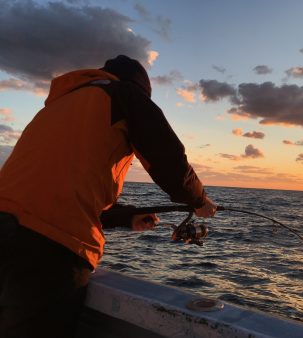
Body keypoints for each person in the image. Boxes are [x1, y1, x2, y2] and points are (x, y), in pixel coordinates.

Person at [0, 55, 217, 337]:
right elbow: (168, 160)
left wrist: (126, 217)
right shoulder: (124, 95)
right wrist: (199, 200)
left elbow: (58, 191)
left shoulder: (60, 107)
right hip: (47, 250)